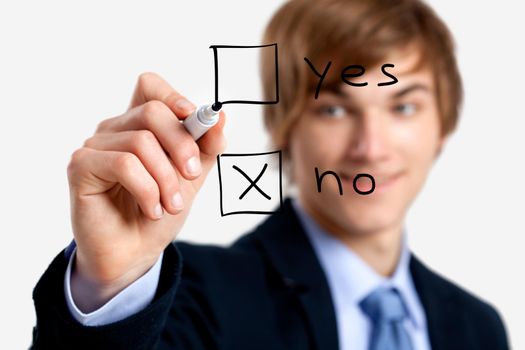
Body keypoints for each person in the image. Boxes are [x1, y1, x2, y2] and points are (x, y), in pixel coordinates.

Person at [31, 0, 510, 349]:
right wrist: (112, 281)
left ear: (444, 124)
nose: (371, 148)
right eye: (335, 110)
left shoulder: (476, 328)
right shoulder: (191, 301)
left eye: (403, 105)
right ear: (285, 125)